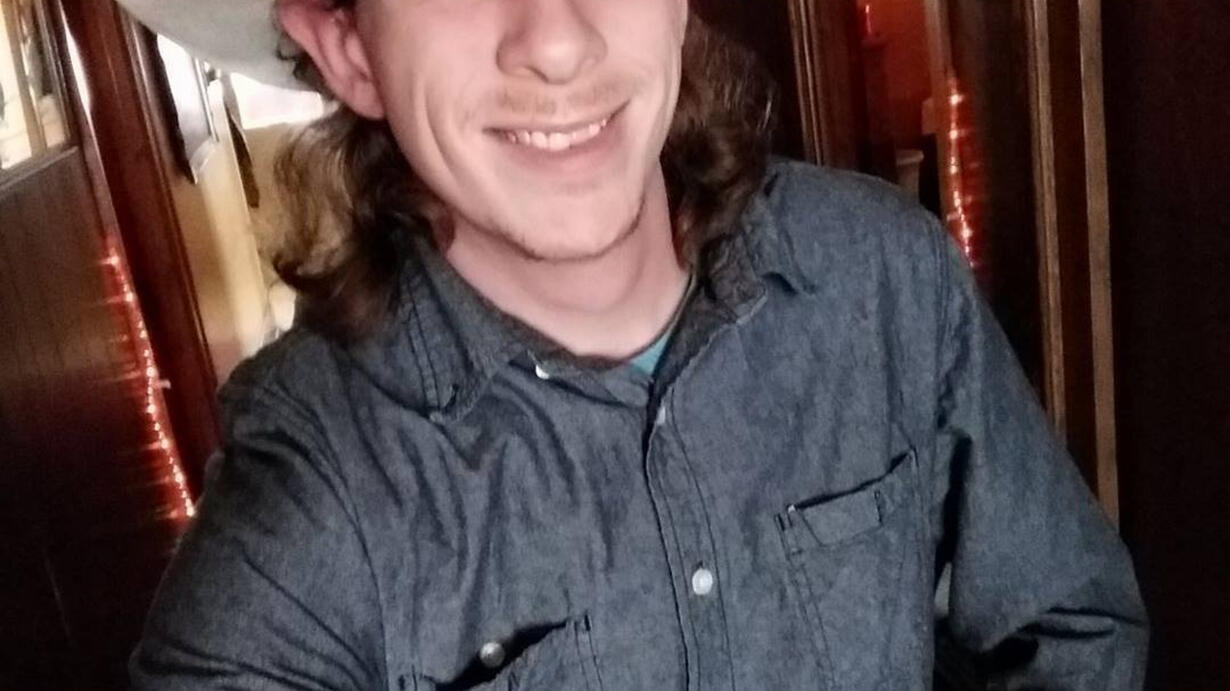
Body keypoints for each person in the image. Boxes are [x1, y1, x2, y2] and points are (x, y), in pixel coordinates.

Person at [120, 0, 1148, 688]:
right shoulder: (316, 485)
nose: (559, 43)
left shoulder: (882, 276)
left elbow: (1074, 628)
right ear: (350, 51)